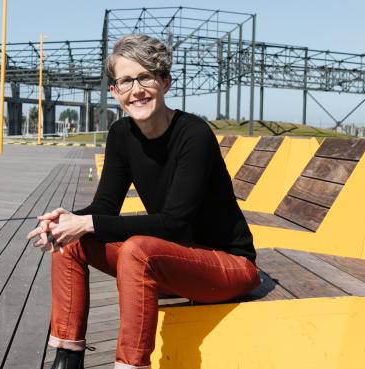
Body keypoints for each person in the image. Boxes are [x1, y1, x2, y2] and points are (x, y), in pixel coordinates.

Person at [28, 34, 260, 369]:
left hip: (228, 266)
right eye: (125, 81)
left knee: (138, 248)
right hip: (170, 263)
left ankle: (131, 365)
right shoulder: (122, 135)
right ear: (114, 92)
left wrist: (88, 223)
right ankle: (67, 358)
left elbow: (174, 221)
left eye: (145, 77)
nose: (136, 90)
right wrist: (67, 219)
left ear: (165, 81)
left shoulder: (193, 134)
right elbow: (103, 209)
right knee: (70, 242)